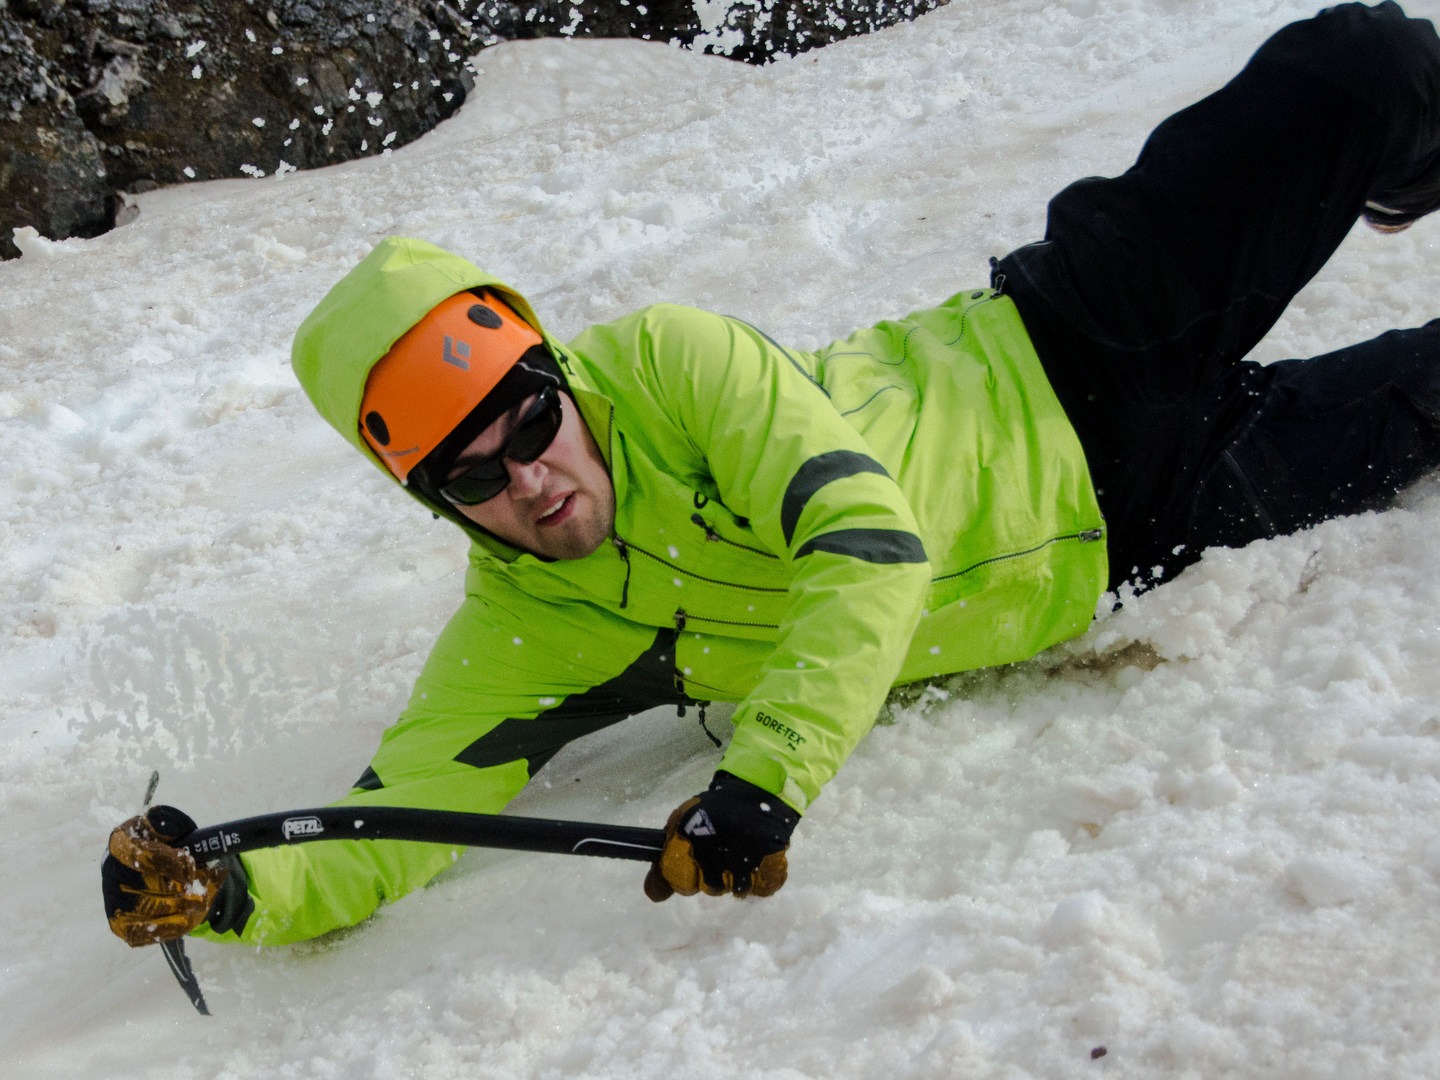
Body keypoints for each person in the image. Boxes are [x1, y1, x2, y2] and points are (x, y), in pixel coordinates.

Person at [104, 1, 1440, 949]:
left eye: (528, 422)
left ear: (557, 375)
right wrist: (231, 894)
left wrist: (768, 775)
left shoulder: (675, 364)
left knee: (1365, 68)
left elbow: (870, 545)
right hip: (1150, 531)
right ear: (436, 504)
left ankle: (1407, 165)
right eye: (472, 478)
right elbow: (403, 815)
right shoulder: (524, 629)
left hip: (1073, 343)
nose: (529, 478)